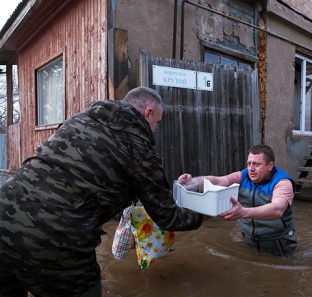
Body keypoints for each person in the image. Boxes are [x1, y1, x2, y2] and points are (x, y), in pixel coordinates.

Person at [0, 87, 205, 297]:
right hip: (57, 237)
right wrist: (205, 214)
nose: (154, 130)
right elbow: (167, 217)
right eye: (157, 123)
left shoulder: (76, 120)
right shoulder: (140, 148)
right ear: (148, 113)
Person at [179, 144, 296, 257]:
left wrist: (243, 212)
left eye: (256, 164)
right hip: (249, 239)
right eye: (249, 164)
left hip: (278, 242)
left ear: (270, 166)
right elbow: (219, 181)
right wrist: (193, 182)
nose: (251, 169)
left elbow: (277, 209)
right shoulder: (243, 176)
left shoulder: (283, 183)